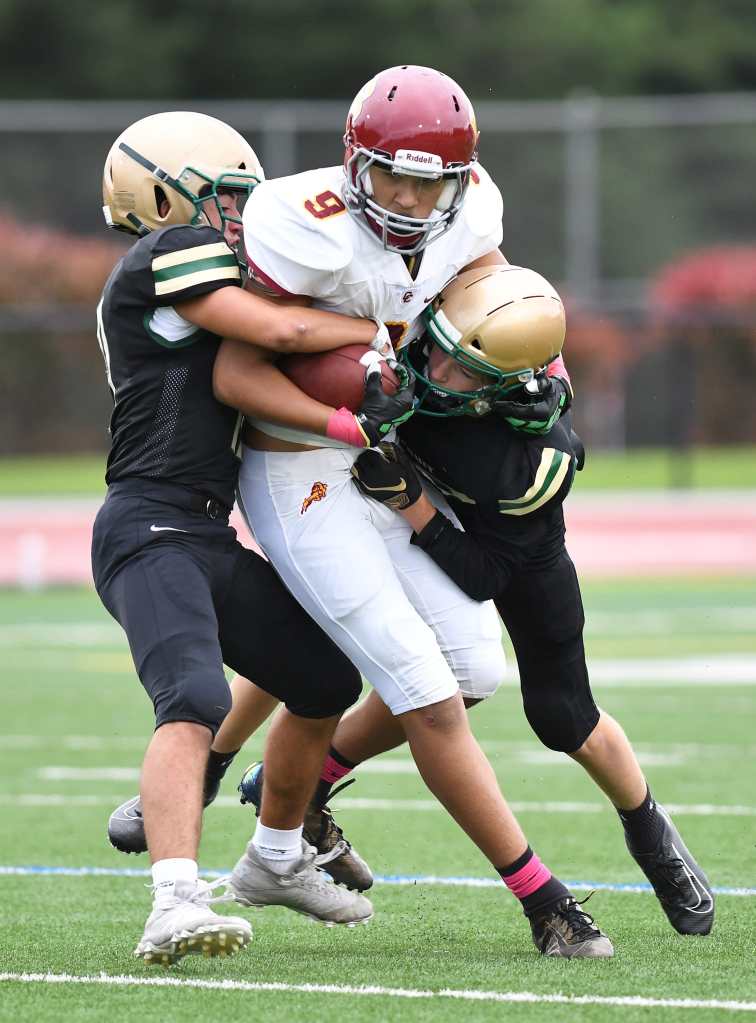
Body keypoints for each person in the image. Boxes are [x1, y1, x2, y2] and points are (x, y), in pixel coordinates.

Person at [211, 66, 613, 958]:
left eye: (429, 179)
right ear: (354, 162)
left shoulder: (472, 214)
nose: (406, 195)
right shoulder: (300, 225)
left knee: (472, 671)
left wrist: (525, 352)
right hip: (298, 466)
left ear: (460, 180)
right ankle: (544, 900)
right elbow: (236, 376)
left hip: (384, 457)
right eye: (391, 173)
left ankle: (281, 831)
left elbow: (484, 282)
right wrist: (345, 398)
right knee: (427, 695)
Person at [94, 110, 408, 964]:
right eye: (227, 196)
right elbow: (280, 332)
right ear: (168, 194)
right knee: (192, 696)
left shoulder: (212, 266)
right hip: (148, 524)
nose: (241, 213)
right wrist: (379, 331)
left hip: (204, 529)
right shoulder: (162, 255)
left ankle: (274, 856)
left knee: (320, 676)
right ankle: (172, 899)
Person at [340, 264, 714, 938]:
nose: (436, 368)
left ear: (507, 382)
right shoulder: (437, 338)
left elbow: (486, 572)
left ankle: (649, 829)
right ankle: (297, 772)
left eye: (461, 367)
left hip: (510, 549)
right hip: (422, 505)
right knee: (380, 658)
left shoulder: (534, 459)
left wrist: (411, 500)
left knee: (562, 715)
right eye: (441, 348)